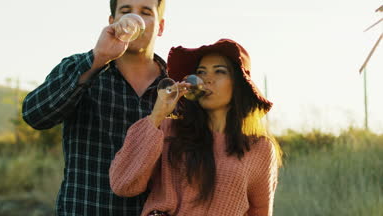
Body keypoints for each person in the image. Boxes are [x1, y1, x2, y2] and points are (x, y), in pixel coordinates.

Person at [22, 0, 167, 215]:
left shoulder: (175, 88)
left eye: (146, 12)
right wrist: (97, 59)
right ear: (113, 21)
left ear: (160, 26)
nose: (136, 19)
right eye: (126, 10)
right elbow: (34, 115)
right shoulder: (81, 67)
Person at [110, 39, 282, 216]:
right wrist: (157, 115)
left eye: (219, 72)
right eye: (201, 72)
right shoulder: (167, 128)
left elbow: (260, 211)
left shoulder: (259, 148)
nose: (207, 79)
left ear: (238, 84)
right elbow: (123, 184)